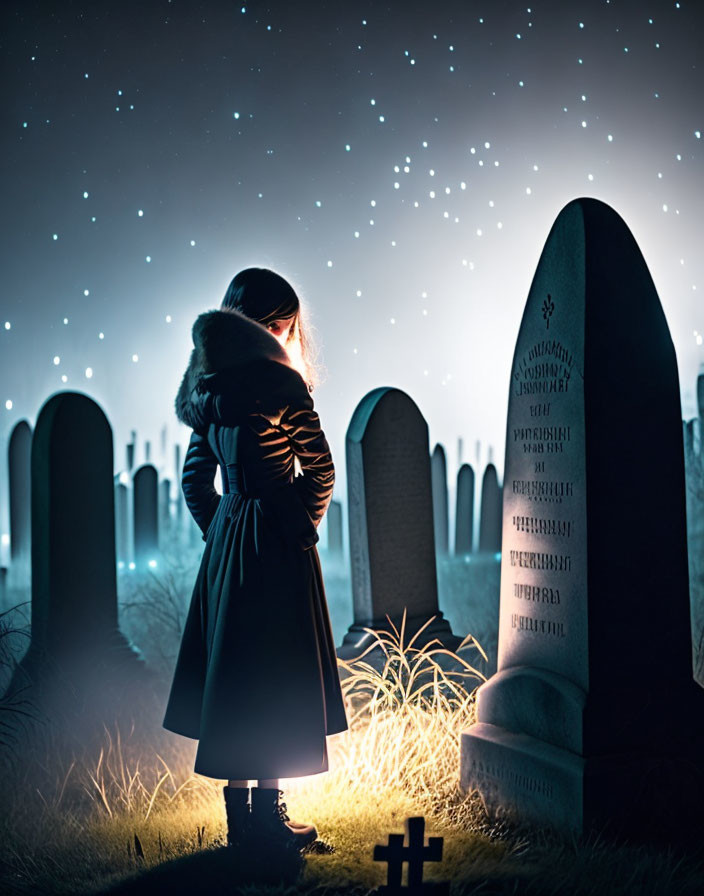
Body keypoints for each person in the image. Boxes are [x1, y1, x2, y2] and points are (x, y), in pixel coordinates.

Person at [162, 267, 349, 854]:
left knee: (236, 674)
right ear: (270, 325)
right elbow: (321, 472)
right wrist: (295, 528)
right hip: (273, 540)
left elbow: (195, 482)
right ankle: (266, 819)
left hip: (229, 541)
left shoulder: (207, 387)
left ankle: (243, 823)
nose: (290, 336)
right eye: (285, 325)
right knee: (274, 671)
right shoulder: (280, 386)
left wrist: (222, 531)